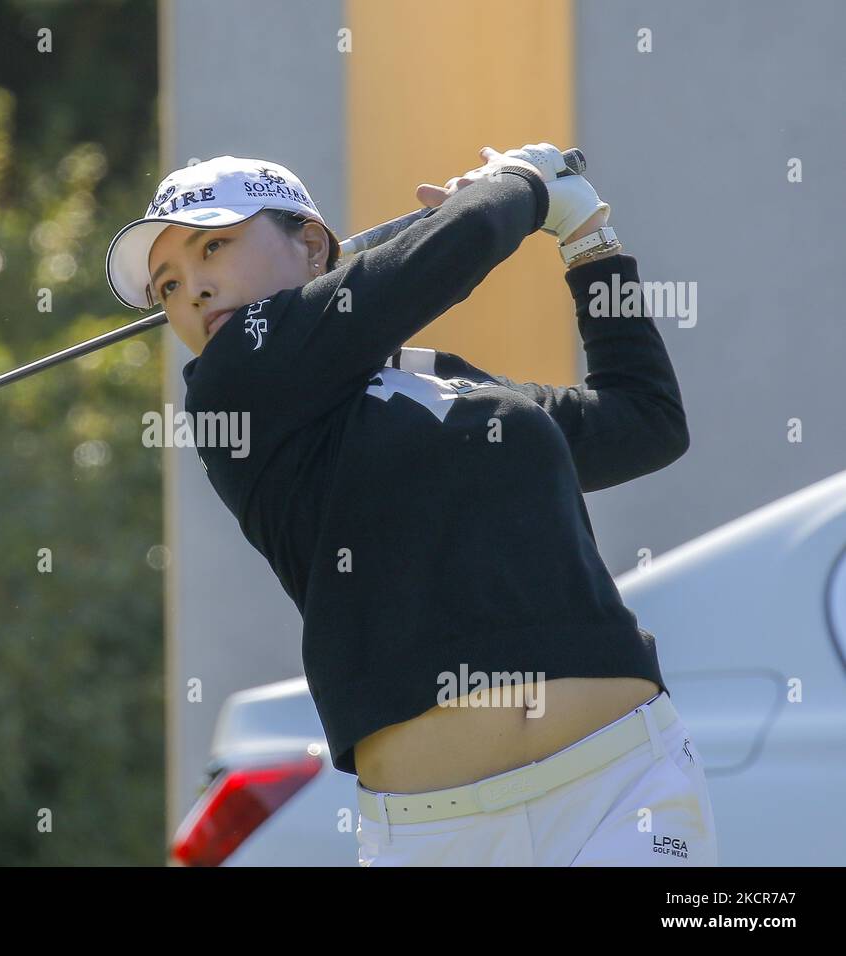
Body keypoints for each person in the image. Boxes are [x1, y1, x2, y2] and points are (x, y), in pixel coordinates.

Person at [105, 146, 718, 866]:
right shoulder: (228, 392)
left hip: (623, 790)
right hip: (433, 836)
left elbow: (646, 421)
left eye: (214, 247)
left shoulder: (454, 390)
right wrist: (521, 183)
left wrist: (587, 237)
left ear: (310, 245)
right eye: (168, 285)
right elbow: (427, 267)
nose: (194, 291)